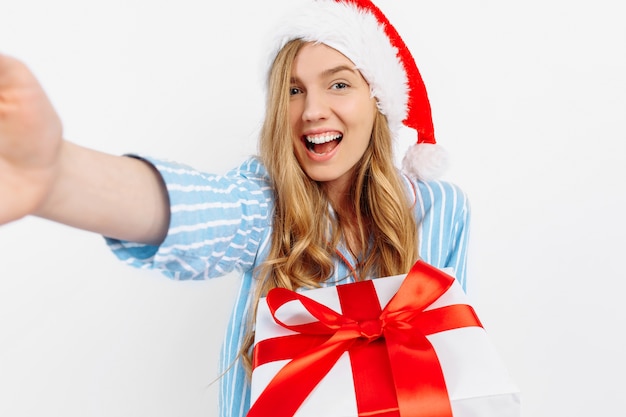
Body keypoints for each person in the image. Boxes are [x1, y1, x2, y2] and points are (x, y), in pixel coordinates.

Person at [0, 0, 470, 416]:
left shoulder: (441, 210)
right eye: (293, 90)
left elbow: (454, 359)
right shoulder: (265, 203)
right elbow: (201, 212)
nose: (311, 110)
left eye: (339, 85)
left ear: (380, 102)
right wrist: (57, 175)